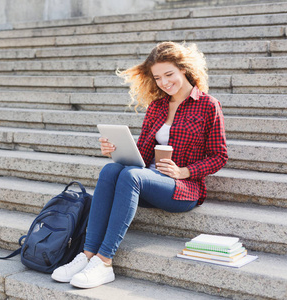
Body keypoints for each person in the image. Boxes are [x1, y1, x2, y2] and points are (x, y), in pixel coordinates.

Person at [51, 41, 228, 289]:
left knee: (132, 176)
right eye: (158, 78)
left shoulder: (208, 105)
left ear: (184, 69)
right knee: (112, 169)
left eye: (169, 74)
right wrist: (116, 150)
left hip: (183, 189)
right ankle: (87, 254)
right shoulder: (157, 107)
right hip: (148, 181)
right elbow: (142, 155)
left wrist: (184, 171)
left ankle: (104, 261)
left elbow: (219, 156)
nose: (165, 83)